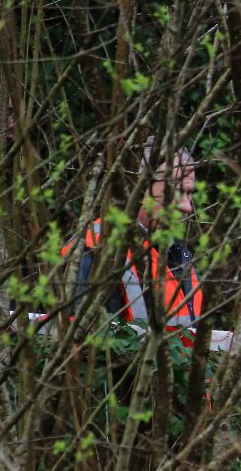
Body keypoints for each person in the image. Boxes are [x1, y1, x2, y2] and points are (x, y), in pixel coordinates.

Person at [63, 138, 201, 328]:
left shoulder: (179, 255)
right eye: (177, 192)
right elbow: (88, 345)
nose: (187, 207)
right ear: (138, 187)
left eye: (189, 193)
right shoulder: (92, 248)